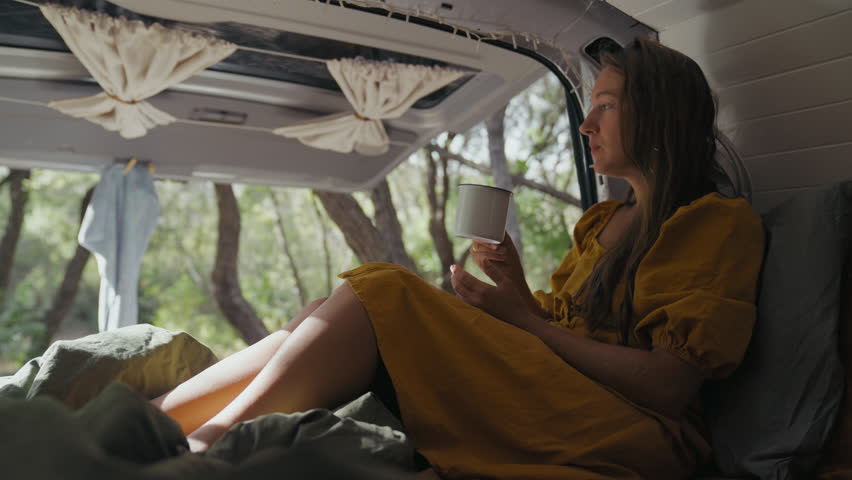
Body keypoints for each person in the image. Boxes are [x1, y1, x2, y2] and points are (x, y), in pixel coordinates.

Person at [152, 37, 765, 479]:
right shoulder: (605, 222)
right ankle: (156, 424)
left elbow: (668, 385)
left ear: (658, 115)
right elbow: (566, 330)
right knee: (324, 309)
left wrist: (524, 323)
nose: (587, 125)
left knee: (384, 291)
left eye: (605, 104)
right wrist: (517, 296)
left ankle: (199, 449)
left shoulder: (712, 224)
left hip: (628, 428)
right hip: (567, 390)